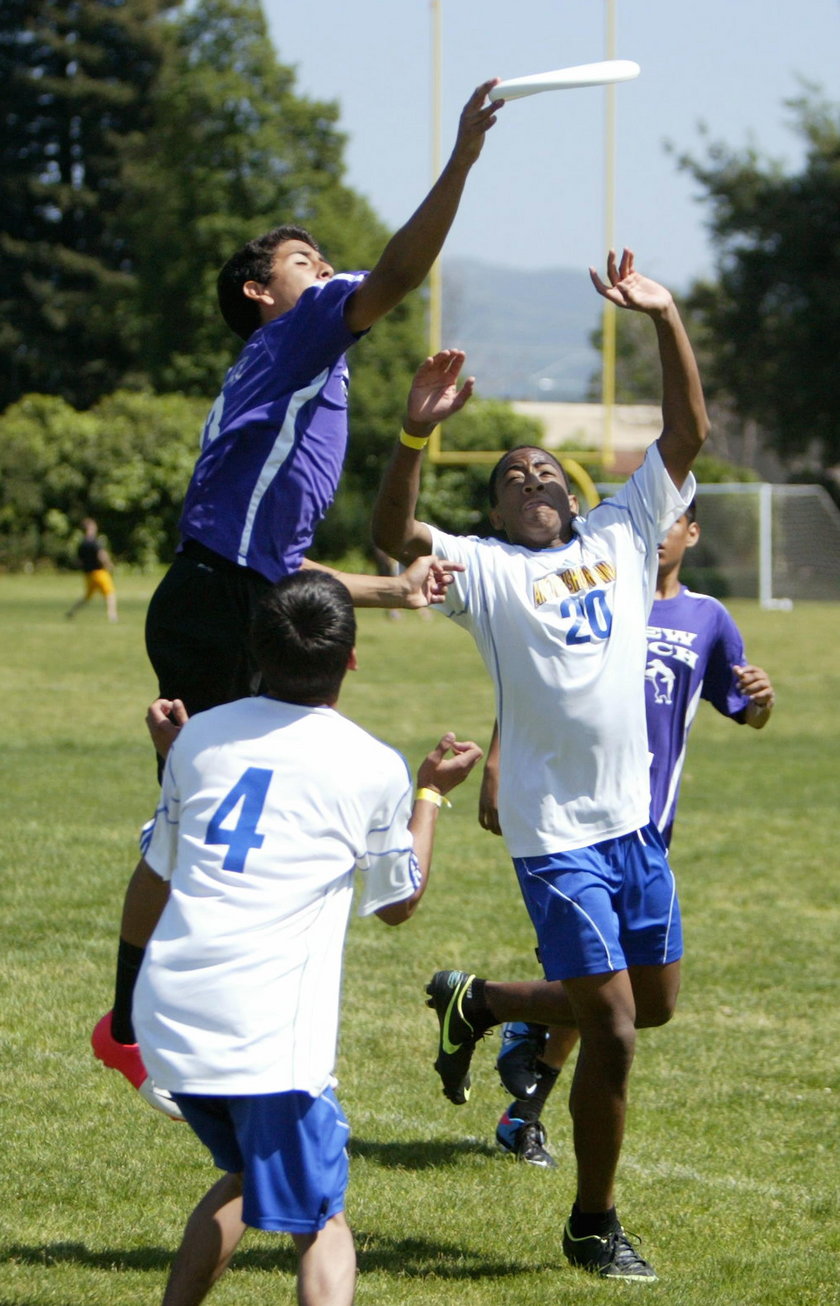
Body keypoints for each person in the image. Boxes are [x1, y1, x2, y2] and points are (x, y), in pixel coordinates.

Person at [371, 248, 710, 1280]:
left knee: (650, 1004)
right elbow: (391, 530)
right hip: (554, 833)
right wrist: (416, 429)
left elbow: (690, 431)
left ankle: (480, 1001)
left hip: (634, 826)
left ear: (574, 491)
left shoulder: (621, 529)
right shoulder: (490, 571)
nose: (534, 477)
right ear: (498, 507)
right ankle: (591, 1224)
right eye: (513, 475)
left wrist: (663, 313)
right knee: (612, 1026)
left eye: (546, 469)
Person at [93, 569, 482, 1306]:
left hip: (174, 1022)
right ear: (352, 658)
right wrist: (430, 794)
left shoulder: (197, 738)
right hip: (267, 1035)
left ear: (256, 650)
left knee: (246, 1176)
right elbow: (399, 903)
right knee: (323, 1223)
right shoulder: (371, 765)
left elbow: (156, 873)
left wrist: (180, 757)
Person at [144, 79, 503, 726]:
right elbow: (396, 276)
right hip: (220, 601)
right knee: (217, 802)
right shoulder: (294, 335)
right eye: (305, 261)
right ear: (258, 291)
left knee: (233, 800)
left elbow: (278, 563)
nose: (325, 271)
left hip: (223, 596)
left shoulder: (284, 373)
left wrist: (395, 588)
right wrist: (462, 161)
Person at [479, 496, 776, 1171]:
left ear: (692, 532)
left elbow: (745, 711)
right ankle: (522, 1112)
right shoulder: (603, 592)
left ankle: (500, 1013)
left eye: (675, 521)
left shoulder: (709, 619)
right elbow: (541, 688)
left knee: (629, 1000)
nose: (663, 532)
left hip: (645, 832)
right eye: (656, 519)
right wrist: (498, 759)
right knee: (602, 993)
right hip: (571, 822)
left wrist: (762, 702)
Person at [65, 517, 118, 622]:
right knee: (110, 594)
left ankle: (72, 611)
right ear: (90, 528)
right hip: (100, 572)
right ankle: (112, 616)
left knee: (87, 597)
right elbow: (101, 555)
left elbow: (79, 561)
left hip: (88, 574)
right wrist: (109, 565)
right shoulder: (95, 542)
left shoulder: (82, 544)